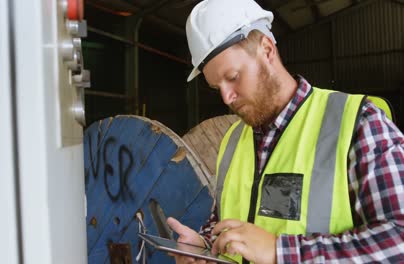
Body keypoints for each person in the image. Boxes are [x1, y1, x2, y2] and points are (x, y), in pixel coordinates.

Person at [166, 0, 404, 263]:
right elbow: (229, 221)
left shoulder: (357, 123)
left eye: (232, 77)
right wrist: (205, 247)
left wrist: (280, 251)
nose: (226, 97)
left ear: (267, 50)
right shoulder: (232, 140)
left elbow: (398, 240)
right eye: (216, 87)